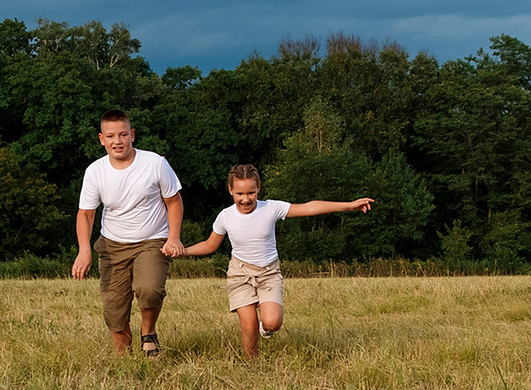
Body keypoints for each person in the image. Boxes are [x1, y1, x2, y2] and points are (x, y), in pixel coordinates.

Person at [173, 164, 372, 358]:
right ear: (230, 190)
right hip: (240, 273)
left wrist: (349, 205)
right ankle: (251, 366)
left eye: (251, 193)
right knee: (249, 326)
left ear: (258, 188)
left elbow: (309, 207)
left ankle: (266, 323)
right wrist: (183, 251)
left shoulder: (271, 208)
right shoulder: (225, 216)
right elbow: (210, 245)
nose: (245, 199)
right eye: (240, 194)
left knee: (272, 323)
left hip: (268, 273)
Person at [71, 108, 185, 356]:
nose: (117, 141)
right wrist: (84, 250)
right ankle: (126, 360)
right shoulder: (95, 172)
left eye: (123, 134)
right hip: (112, 244)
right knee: (114, 309)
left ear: (132, 135)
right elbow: (86, 214)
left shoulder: (155, 163)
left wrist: (173, 237)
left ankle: (148, 333)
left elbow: (174, 201)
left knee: (150, 288)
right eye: (110, 136)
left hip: (152, 240)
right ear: (102, 139)